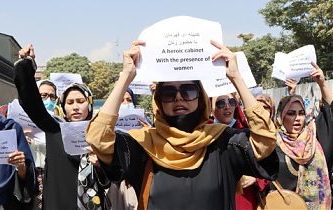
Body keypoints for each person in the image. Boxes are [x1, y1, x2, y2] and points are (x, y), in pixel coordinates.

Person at [86, 40, 278, 209]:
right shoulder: (143, 145)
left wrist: (236, 78)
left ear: (201, 99)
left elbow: (265, 142)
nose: (179, 97)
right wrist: (125, 77)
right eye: (168, 93)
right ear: (159, 101)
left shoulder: (222, 142)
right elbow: (98, 137)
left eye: (188, 90)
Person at [13, 45, 104, 210]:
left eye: (80, 101)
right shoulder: (55, 129)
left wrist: (101, 164)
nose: (75, 107)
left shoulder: (100, 133)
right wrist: (27, 65)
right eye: (70, 103)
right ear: (63, 107)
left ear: (90, 105)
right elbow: (31, 102)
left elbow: (113, 175)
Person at [272, 62, 333, 209]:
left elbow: (330, 114)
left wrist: (322, 84)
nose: (297, 118)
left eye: (301, 113)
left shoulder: (315, 137)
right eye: (291, 113)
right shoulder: (273, 143)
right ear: (280, 117)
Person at [211, 93, 269, 210]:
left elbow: (268, 167)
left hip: (244, 201)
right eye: (220, 103)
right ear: (210, 108)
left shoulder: (247, 134)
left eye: (231, 102)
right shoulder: (202, 137)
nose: (227, 107)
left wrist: (255, 179)